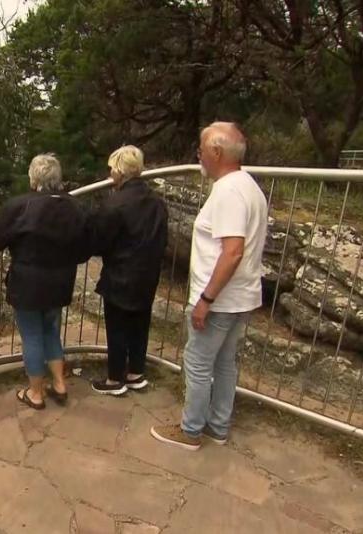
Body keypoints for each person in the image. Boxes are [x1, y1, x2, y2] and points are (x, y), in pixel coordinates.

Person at [151, 122, 267, 451]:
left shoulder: (228, 192)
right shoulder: (249, 185)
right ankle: (218, 426)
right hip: (241, 296)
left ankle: (190, 430)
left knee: (198, 363)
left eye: (201, 150)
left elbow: (232, 251)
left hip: (220, 300)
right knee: (225, 363)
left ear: (216, 152)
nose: (198, 155)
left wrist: (206, 299)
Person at [0, 154, 90, 409]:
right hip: (60, 282)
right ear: (58, 178)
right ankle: (60, 384)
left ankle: (35, 393)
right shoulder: (75, 207)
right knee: (51, 331)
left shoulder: (20, 206)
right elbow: (85, 248)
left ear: (33, 178)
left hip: (28, 284)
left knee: (32, 335)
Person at [89, 146, 168, 396]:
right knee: (140, 324)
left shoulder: (114, 204)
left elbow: (101, 241)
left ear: (120, 171)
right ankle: (135, 372)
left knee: (117, 327)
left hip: (121, 273)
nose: (110, 173)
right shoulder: (157, 202)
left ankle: (115, 378)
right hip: (148, 273)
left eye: (111, 169)